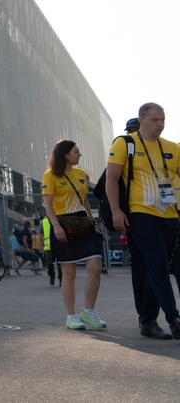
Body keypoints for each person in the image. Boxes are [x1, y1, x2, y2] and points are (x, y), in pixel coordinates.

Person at [105, 103, 180, 339]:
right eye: (155, 120)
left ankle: (147, 321)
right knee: (157, 265)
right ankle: (174, 319)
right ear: (142, 119)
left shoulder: (172, 147)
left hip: (169, 216)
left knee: (157, 269)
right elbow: (111, 179)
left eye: (163, 120)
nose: (160, 124)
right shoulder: (125, 143)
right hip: (140, 214)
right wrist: (117, 210)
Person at [42, 139, 106, 330]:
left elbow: (84, 200)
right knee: (69, 273)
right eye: (76, 151)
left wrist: (93, 221)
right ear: (65, 155)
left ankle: (88, 311)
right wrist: (56, 227)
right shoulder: (50, 175)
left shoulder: (80, 174)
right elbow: (48, 205)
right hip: (63, 223)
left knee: (95, 266)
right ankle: (71, 315)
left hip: (83, 223)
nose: (80, 154)